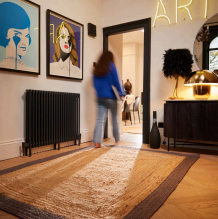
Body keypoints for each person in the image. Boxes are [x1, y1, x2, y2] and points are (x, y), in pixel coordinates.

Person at [93, 51, 126, 148]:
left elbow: (94, 84)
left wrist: (99, 92)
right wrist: (121, 93)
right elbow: (116, 82)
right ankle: (117, 140)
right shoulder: (111, 66)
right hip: (110, 97)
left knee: (100, 120)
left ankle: (97, 142)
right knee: (114, 119)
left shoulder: (98, 68)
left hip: (100, 97)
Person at [0, 2, 36, 72]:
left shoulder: (29, 69)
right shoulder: (4, 65)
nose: (24, 42)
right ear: (4, 35)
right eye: (17, 35)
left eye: (26, 36)